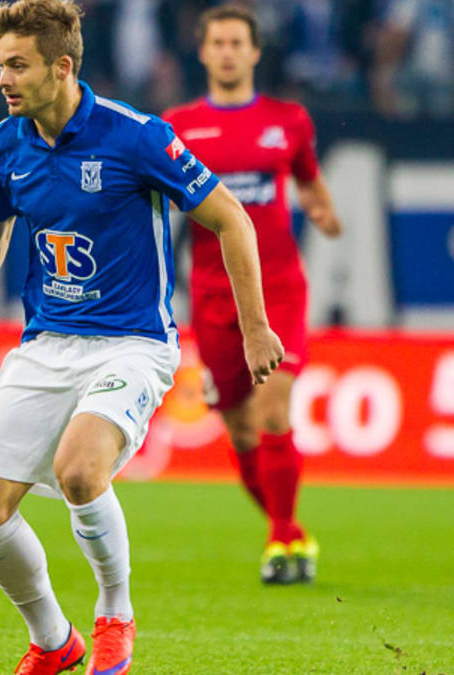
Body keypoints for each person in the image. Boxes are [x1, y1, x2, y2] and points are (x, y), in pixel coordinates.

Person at [0, 2, 284, 673]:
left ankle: (115, 613)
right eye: (0, 65)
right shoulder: (4, 146)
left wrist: (254, 328)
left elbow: (232, 217)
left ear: (62, 67)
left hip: (131, 343)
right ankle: (53, 640)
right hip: (46, 345)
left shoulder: (135, 137)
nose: (3, 79)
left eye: (18, 65)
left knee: (81, 470)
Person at [164, 3, 341, 585]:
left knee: (273, 411)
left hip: (280, 288)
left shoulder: (288, 121)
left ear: (255, 51)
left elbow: (308, 178)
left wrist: (322, 209)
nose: (228, 52)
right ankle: (289, 530)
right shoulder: (177, 127)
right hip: (213, 297)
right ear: (203, 52)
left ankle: (280, 539)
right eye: (218, 43)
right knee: (241, 432)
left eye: (237, 42)